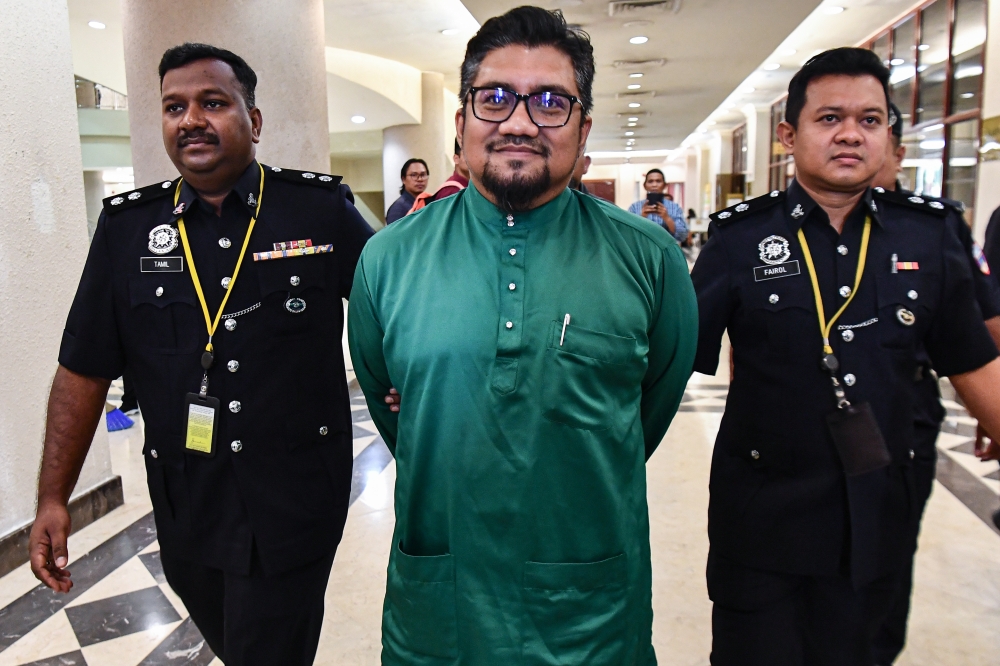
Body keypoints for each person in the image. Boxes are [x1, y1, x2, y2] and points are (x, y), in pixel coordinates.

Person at [347, 7, 697, 664]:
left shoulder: (649, 258)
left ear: (584, 127)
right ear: (462, 123)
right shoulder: (388, 259)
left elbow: (645, 414)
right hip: (441, 610)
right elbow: (400, 414)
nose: (518, 122)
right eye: (496, 98)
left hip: (590, 616)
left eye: (550, 103)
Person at [28, 43, 373, 666]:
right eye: (174, 107)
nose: (191, 119)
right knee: (233, 634)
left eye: (213, 103)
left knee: (264, 645)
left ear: (254, 120)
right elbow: (83, 366)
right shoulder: (128, 228)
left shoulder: (316, 211)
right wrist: (54, 497)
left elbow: (394, 312)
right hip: (188, 499)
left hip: (293, 495)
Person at [691, 47, 1000, 666]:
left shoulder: (928, 234)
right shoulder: (740, 237)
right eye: (829, 118)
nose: (851, 135)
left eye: (870, 119)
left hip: (875, 517)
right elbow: (674, 361)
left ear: (888, 132)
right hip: (762, 518)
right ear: (790, 134)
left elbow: (972, 359)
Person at [869, 104, 1000, 665]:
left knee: (884, 574)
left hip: (907, 420)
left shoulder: (934, 227)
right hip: (804, 429)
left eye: (875, 129)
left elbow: (983, 323)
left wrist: (990, 411)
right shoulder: (782, 230)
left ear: (897, 152)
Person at [628, 168, 687, 242]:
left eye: (658, 181)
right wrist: (642, 218)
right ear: (644, 185)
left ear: (665, 185)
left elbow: (682, 236)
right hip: (643, 250)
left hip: (667, 250)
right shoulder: (634, 207)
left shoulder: (675, 207)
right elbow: (629, 234)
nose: (654, 185)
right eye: (650, 181)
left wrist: (667, 218)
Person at [386, 158, 428, 223]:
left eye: (423, 175)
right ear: (403, 179)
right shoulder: (398, 208)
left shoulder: (426, 203)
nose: (420, 179)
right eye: (414, 175)